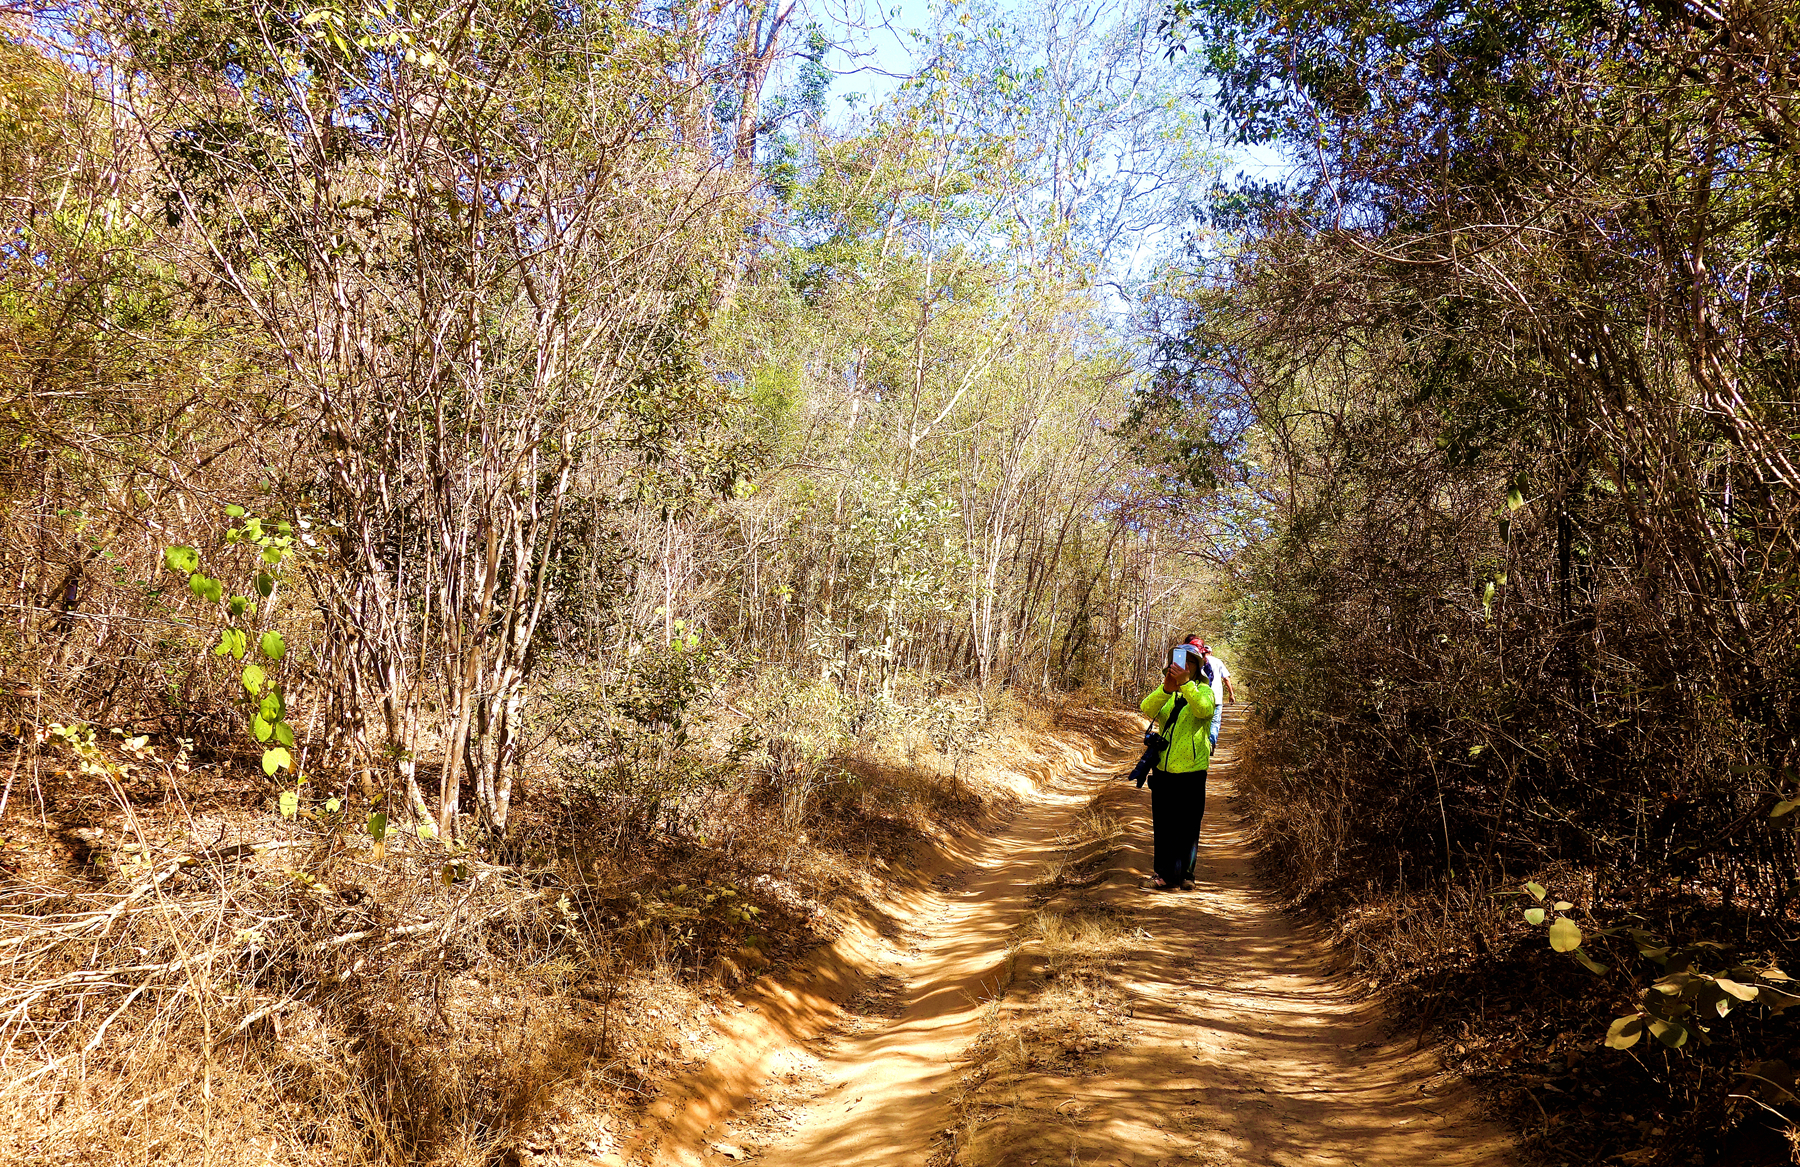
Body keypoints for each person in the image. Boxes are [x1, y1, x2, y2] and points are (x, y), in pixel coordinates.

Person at [1137, 643, 1215, 891]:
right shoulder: (1168, 692)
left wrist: (1187, 685)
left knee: (1189, 825)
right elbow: (1146, 708)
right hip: (1163, 770)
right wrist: (1166, 689)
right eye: (1178, 661)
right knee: (1163, 825)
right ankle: (1164, 874)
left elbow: (1204, 710)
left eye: (1189, 663)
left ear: (1197, 668)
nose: (1182, 666)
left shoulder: (1204, 691)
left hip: (1192, 771)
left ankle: (1186, 876)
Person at [1197, 640, 1234, 750]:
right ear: (1211, 652)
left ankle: (1201, 744)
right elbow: (1226, 678)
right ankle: (1211, 742)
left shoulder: (1198, 661)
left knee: (1202, 720)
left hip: (1201, 697)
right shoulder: (1218, 662)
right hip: (1216, 697)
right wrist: (1231, 694)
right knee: (1215, 721)